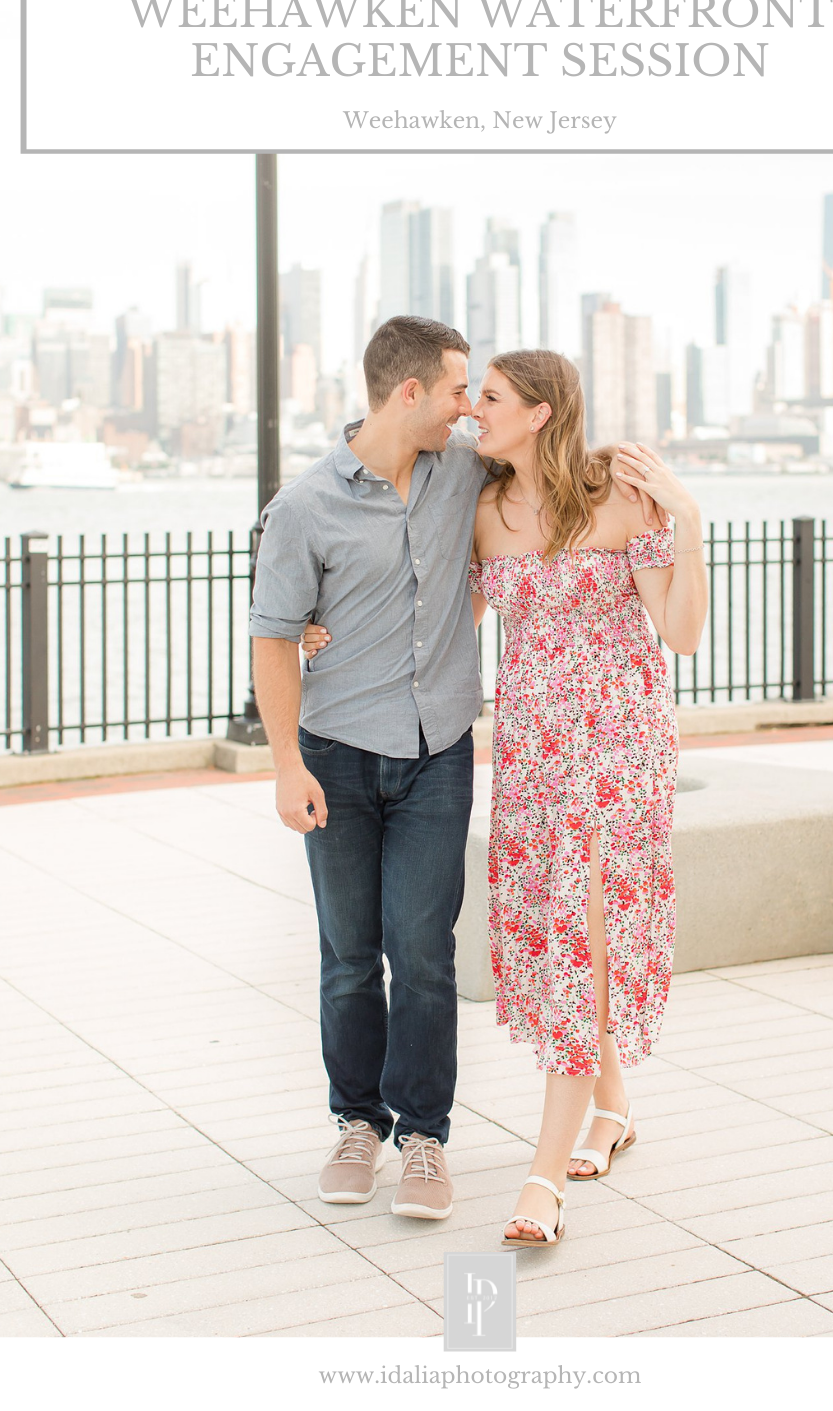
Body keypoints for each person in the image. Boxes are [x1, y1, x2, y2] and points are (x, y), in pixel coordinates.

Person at [466, 350, 708, 1247]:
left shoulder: (620, 497)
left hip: (618, 748)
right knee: (561, 927)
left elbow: (680, 634)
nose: (472, 414)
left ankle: (541, 1179)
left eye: (487, 399)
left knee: (580, 934)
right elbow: (446, 626)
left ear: (536, 412)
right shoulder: (483, 512)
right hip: (532, 752)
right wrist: (325, 628)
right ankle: (613, 1110)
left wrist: (685, 517)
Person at [249, 316, 486, 1220]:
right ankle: (359, 1122)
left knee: (423, 952)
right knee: (349, 956)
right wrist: (284, 766)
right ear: (410, 393)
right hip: (337, 757)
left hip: (439, 755)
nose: (469, 407)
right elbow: (274, 639)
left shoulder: (464, 470)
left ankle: (424, 1139)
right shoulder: (304, 505)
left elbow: (551, 467)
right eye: (459, 390)